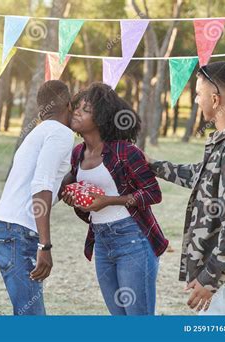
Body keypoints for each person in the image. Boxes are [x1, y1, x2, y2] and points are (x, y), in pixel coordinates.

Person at [149, 61, 225, 315]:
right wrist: (152, 165)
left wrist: (211, 278)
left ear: (215, 99)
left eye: (198, 95)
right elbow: (200, 176)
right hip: (219, 275)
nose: (196, 101)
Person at [61, 82, 168, 315]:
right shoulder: (77, 154)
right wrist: (76, 201)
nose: (76, 112)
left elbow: (153, 193)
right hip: (101, 241)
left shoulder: (125, 151)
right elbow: (89, 207)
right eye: (76, 107)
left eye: (85, 109)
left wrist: (109, 201)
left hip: (133, 240)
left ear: (101, 118)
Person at [0, 80, 74, 315]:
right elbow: (41, 184)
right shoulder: (61, 133)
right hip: (18, 231)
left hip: (4, 228)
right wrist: (44, 244)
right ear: (69, 104)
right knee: (32, 317)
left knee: (26, 313)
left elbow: (42, 182)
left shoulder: (39, 132)